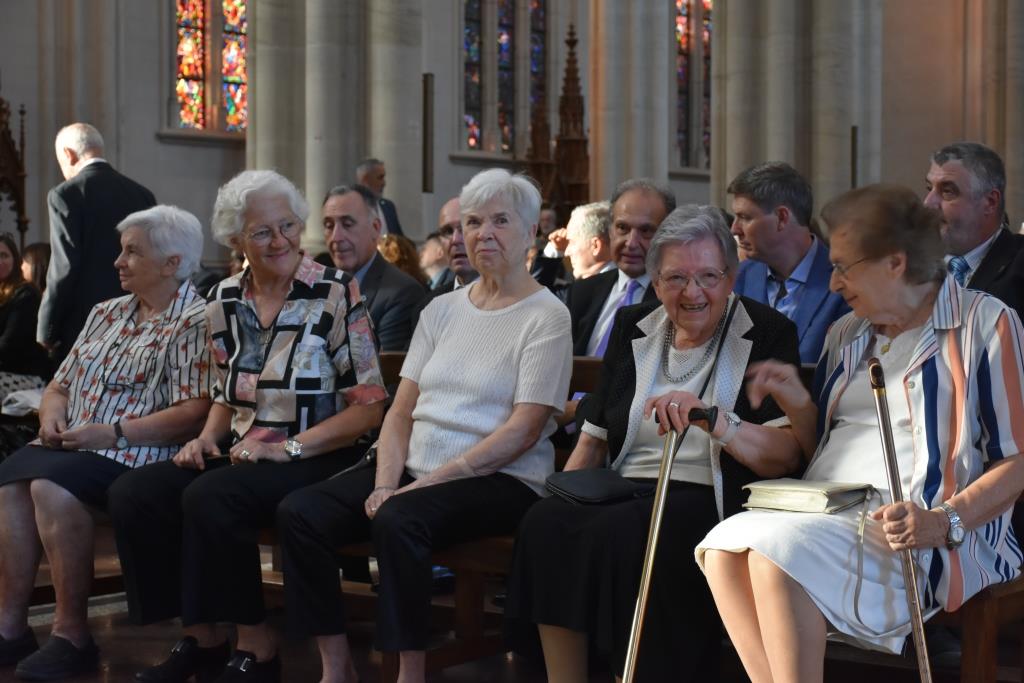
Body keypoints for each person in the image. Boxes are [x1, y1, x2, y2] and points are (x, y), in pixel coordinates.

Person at [696, 184, 1024, 683]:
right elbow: (819, 450)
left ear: (895, 262)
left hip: (918, 531)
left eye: (844, 266)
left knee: (772, 555)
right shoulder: (846, 334)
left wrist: (942, 521)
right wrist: (800, 403)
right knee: (723, 549)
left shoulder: (987, 324)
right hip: (824, 515)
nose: (832, 284)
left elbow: (1015, 461)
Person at [276, 168, 573, 683]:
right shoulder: (441, 310)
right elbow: (400, 410)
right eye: (473, 222)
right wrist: (389, 481)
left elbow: (525, 430)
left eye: (501, 221)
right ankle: (336, 667)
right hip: (414, 472)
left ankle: (409, 673)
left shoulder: (546, 316)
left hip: (502, 479)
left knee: (399, 521)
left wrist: (422, 486)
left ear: (530, 234)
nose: (483, 234)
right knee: (301, 512)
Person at [107, 170, 387, 683]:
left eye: (288, 226)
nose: (280, 240)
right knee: (136, 493)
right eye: (262, 232)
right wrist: (206, 437)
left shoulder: (335, 291)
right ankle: (204, 636)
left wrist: (291, 448)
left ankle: (258, 645)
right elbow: (224, 393)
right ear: (236, 240)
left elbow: (369, 407)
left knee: (214, 496)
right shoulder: (225, 299)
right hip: (242, 450)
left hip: (323, 451)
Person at [505, 205, 802, 682]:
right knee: (546, 522)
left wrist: (715, 421)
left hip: (711, 494)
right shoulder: (634, 326)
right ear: (656, 281)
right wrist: (564, 493)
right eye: (676, 278)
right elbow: (596, 431)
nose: (693, 292)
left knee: (625, 534)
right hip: (625, 487)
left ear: (731, 276)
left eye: (708, 276)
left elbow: (785, 454)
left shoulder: (766, 331)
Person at [0, 206, 212, 680]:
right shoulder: (105, 312)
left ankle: (70, 633)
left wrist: (111, 433)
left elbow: (193, 411)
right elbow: (60, 383)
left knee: (49, 489)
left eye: (132, 251)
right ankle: (10, 628)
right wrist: (52, 415)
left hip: (136, 453)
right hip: (77, 443)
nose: (118, 260)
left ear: (172, 262)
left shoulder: (195, 321)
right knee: (9, 483)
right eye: (121, 250)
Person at [37, 123, 156, 366]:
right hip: (137, 319)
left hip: (86, 323)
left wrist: (47, 328)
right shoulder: (142, 194)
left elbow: (64, 266)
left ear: (69, 154)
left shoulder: (66, 194)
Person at [729, 162, 850, 363]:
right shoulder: (737, 278)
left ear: (782, 218)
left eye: (745, 217)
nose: (734, 229)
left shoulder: (843, 281)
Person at [565, 178, 675, 357]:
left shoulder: (675, 300)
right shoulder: (582, 292)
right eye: (622, 228)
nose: (631, 243)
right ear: (610, 231)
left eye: (646, 231)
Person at [925, 142, 1024, 324]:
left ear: (990, 202)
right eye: (929, 189)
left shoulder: (1019, 264)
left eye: (947, 191)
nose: (928, 203)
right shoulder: (912, 262)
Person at [322, 184, 426, 351]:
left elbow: (379, 370)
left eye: (347, 224)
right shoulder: (319, 287)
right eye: (328, 226)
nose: (336, 237)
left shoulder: (401, 294)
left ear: (376, 228)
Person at [0, 234, 50, 401]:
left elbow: (9, 348)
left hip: (27, 377)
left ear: (15, 259)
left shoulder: (25, 293)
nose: (0, 261)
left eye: (4, 255)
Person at [543, 200, 614, 280]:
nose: (566, 253)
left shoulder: (620, 287)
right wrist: (555, 249)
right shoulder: (581, 286)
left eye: (572, 242)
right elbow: (538, 290)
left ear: (596, 246)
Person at [355, 158, 403, 236]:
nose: (384, 183)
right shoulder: (350, 207)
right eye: (380, 178)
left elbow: (399, 240)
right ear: (365, 179)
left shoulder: (388, 207)